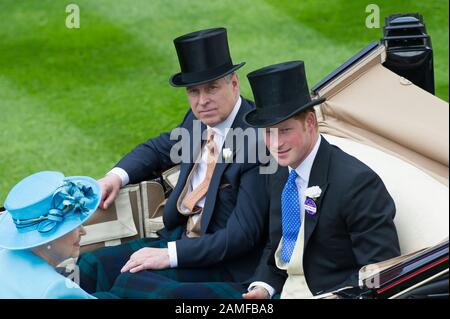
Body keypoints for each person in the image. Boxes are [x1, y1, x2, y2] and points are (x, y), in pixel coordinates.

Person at [77, 27, 269, 297]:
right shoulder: (197, 120)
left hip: (226, 262)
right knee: (91, 264)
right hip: (179, 236)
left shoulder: (259, 141)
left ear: (234, 83)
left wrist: (170, 255)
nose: (202, 101)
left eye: (212, 88)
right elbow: (157, 149)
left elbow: (242, 236)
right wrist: (115, 177)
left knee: (131, 283)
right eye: (194, 91)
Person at [241, 61, 400, 298]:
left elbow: (380, 272)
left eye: (284, 130)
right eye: (268, 132)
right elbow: (279, 247)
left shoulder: (358, 184)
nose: (275, 143)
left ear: (310, 123)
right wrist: (262, 287)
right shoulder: (278, 173)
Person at [0, 171, 100, 298]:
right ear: (47, 234)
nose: (83, 231)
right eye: (72, 226)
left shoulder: (3, 254)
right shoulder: (56, 290)